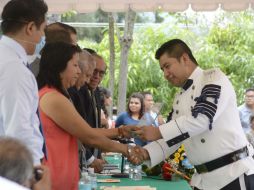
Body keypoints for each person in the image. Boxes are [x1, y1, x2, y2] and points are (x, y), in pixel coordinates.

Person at [132, 39, 254, 190]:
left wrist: (157, 132)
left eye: (167, 66)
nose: (165, 74)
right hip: (203, 180)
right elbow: (174, 139)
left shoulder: (213, 78)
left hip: (232, 174)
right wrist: (146, 153)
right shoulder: (179, 97)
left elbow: (203, 120)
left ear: (184, 58)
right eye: (162, 69)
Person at [37, 42, 142, 190]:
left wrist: (120, 131)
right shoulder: (53, 97)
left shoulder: (56, 95)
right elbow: (89, 136)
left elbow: (87, 131)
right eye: (75, 65)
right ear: (59, 66)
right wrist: (127, 150)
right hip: (55, 180)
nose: (79, 71)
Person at [0, 0, 48, 165]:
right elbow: (18, 131)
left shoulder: (6, 59)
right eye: (43, 29)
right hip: (17, 169)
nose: (43, 36)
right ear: (30, 28)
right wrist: (33, 173)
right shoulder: (15, 69)